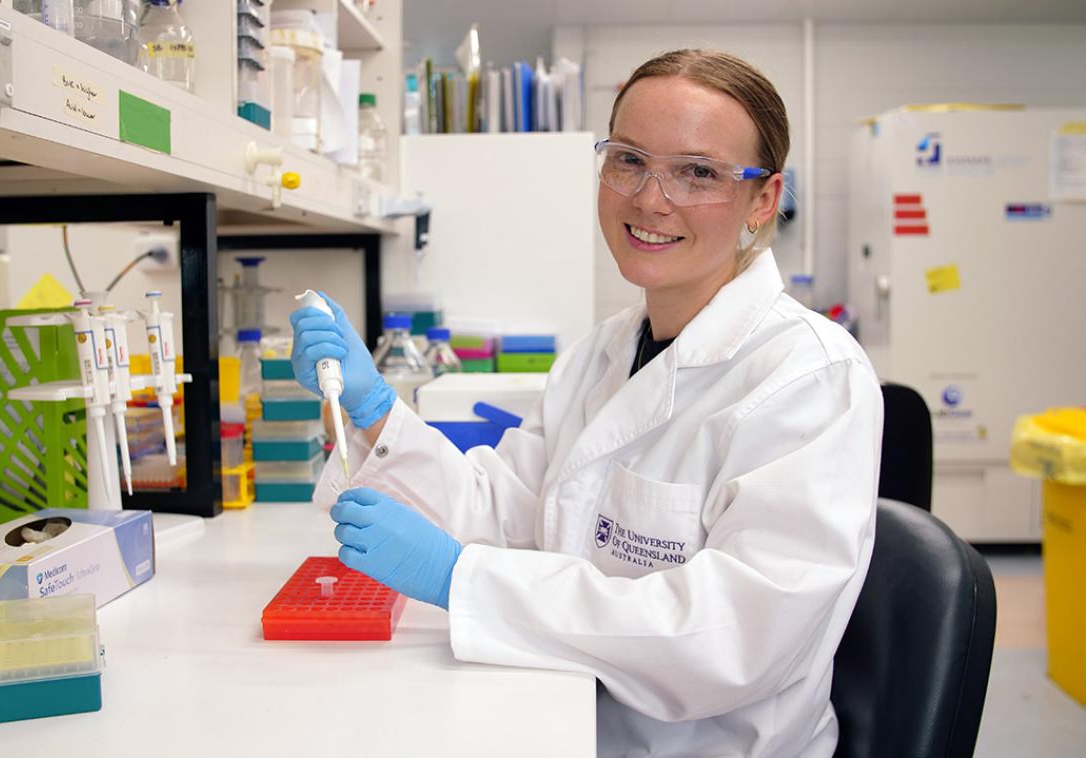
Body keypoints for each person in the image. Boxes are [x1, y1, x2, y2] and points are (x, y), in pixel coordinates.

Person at [290, 48, 883, 758]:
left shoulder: (810, 378)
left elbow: (731, 641)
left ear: (763, 199)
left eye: (697, 172)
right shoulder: (597, 356)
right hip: (563, 718)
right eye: (629, 159)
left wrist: (462, 579)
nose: (650, 198)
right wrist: (375, 410)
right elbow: (504, 515)